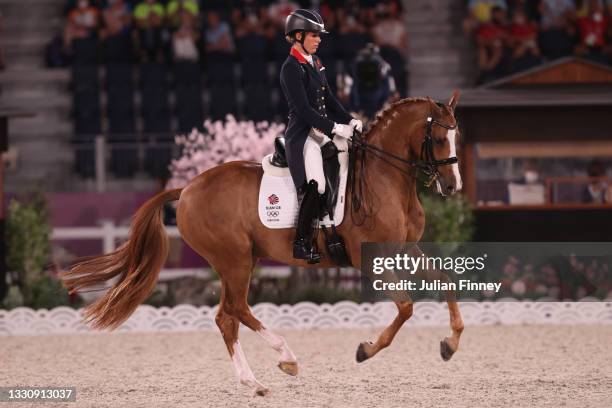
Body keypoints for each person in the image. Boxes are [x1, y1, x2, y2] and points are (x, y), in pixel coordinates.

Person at [280, 9, 362, 263]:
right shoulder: (291, 67)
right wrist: (334, 128)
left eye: (319, 36)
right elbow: (304, 110)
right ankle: (302, 242)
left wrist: (349, 119)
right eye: (314, 35)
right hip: (304, 136)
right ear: (298, 36)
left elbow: (330, 99)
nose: (319, 40)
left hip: (321, 132)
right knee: (318, 183)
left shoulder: (315, 62)